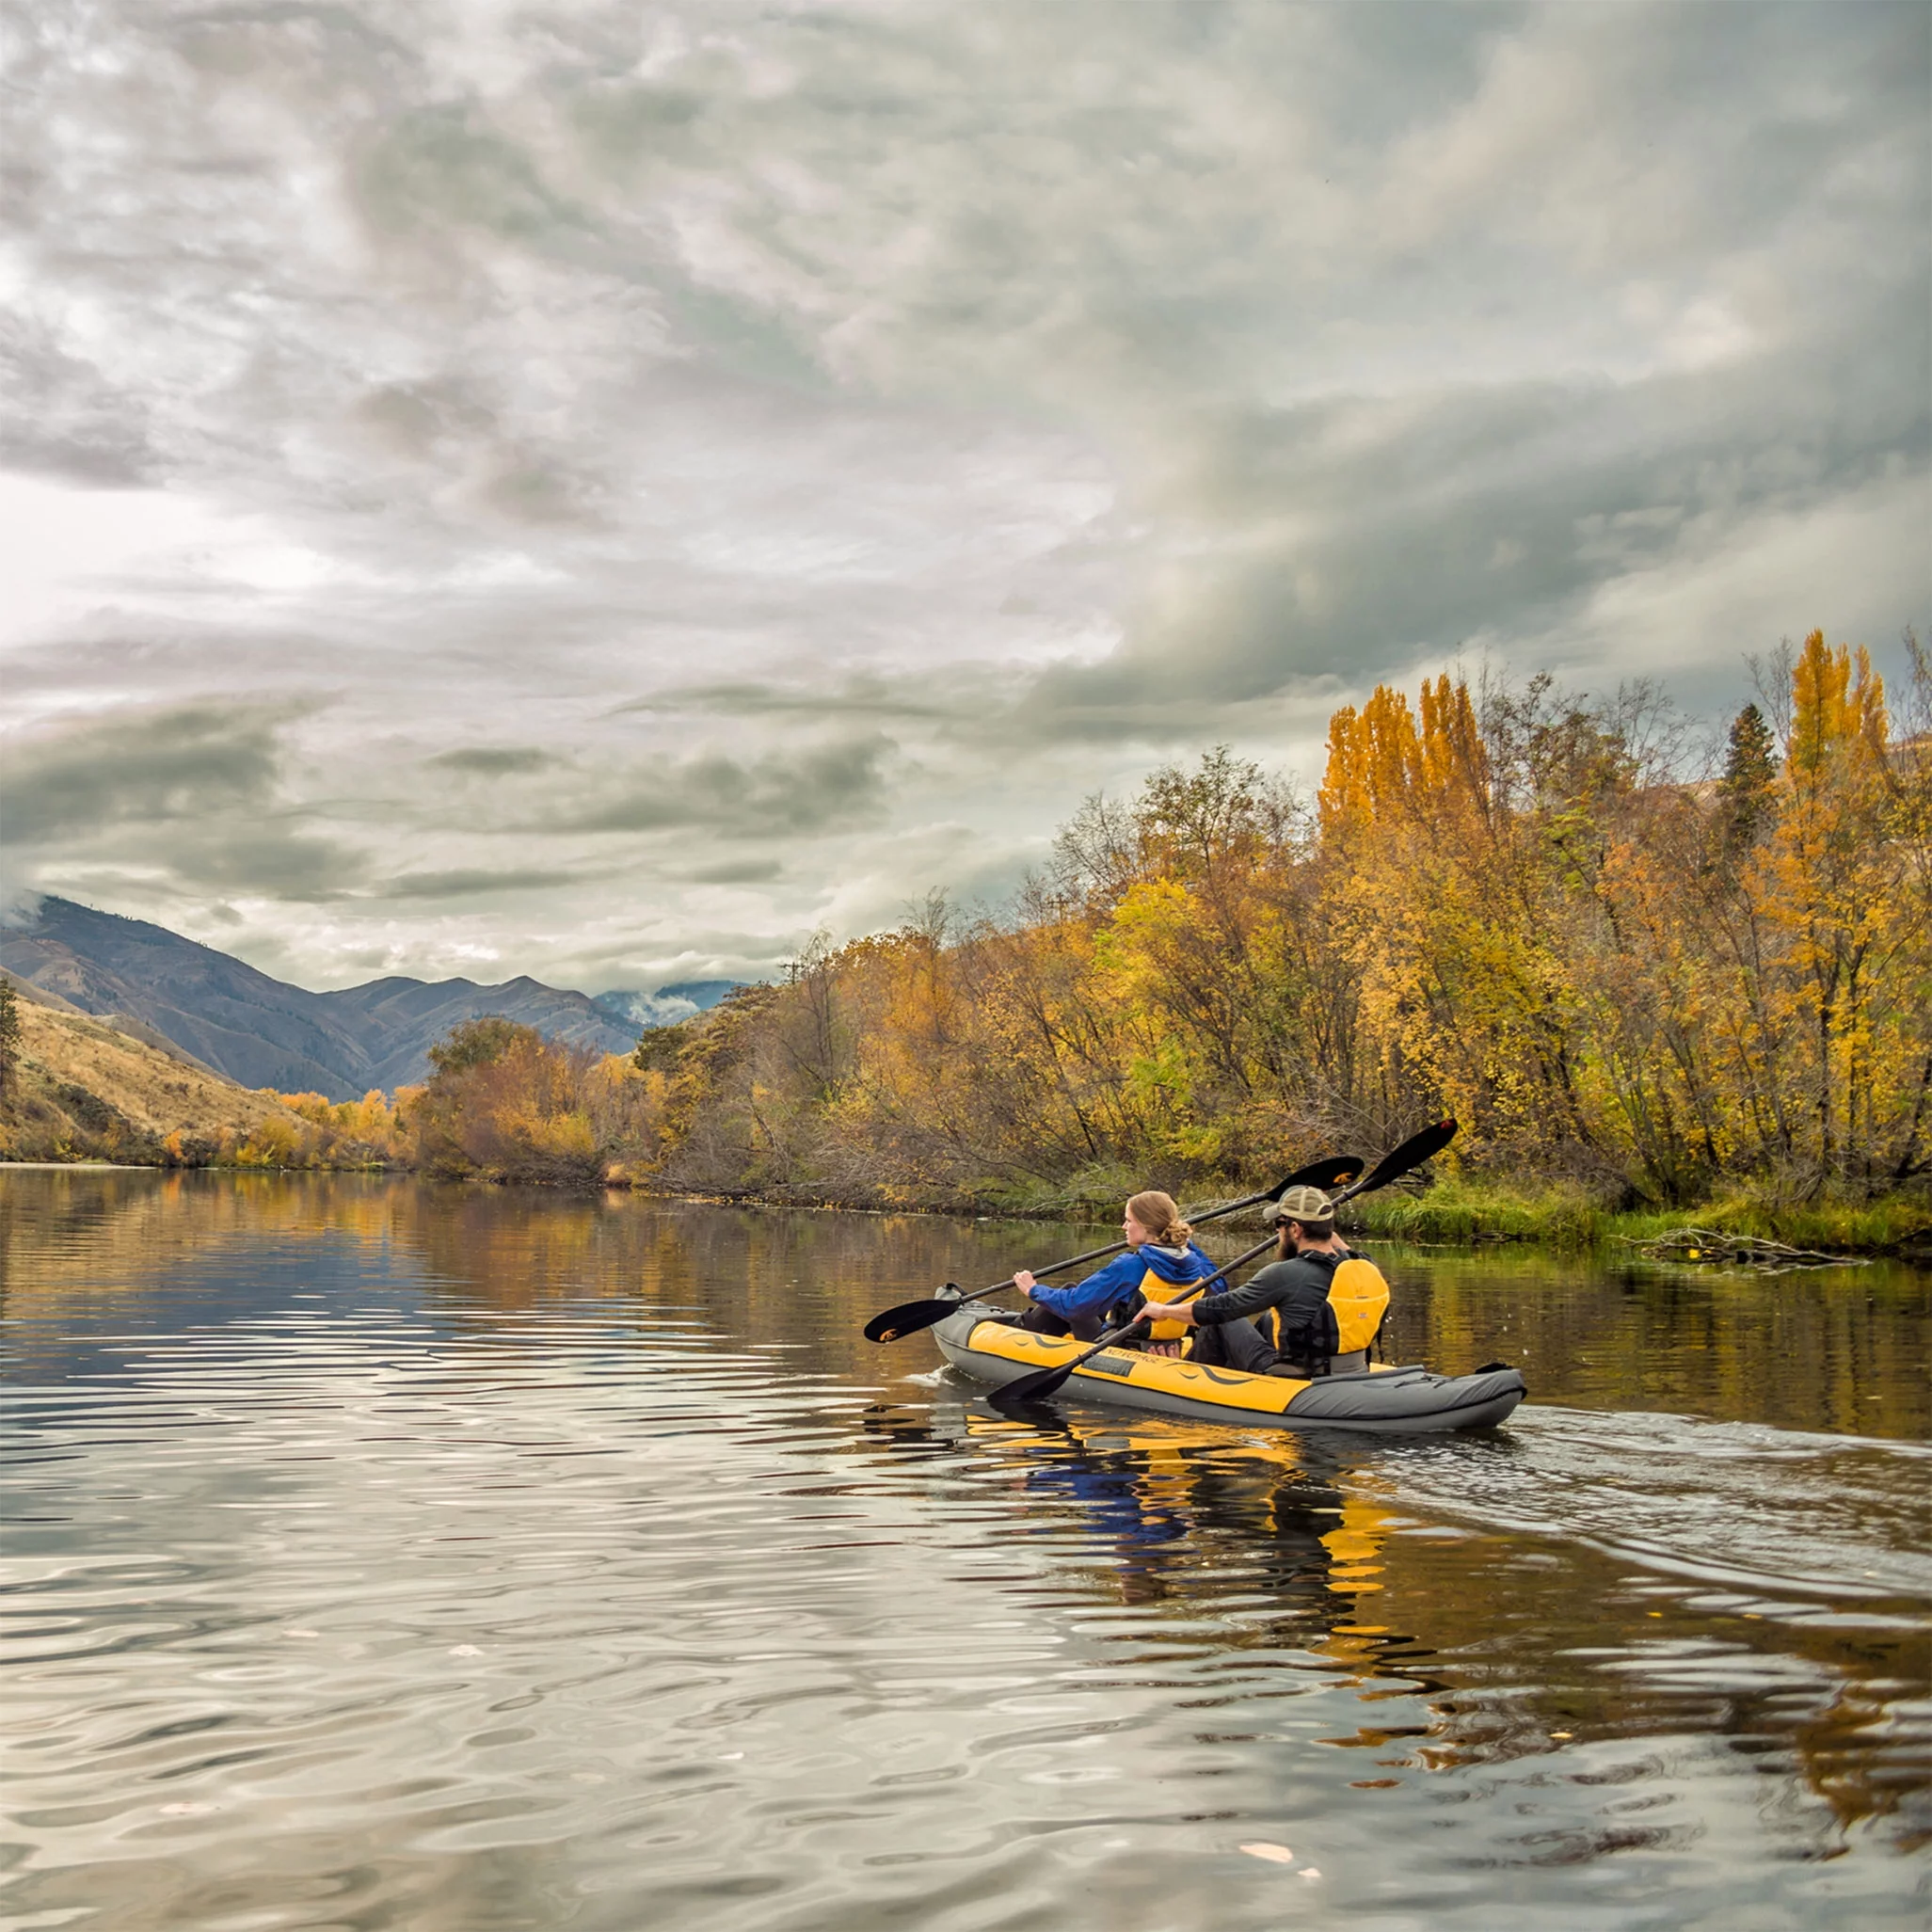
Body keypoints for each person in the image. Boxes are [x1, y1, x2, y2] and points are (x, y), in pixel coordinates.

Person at [1138, 1185, 1390, 1377]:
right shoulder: (1364, 1265)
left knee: (1226, 1319)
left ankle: (1187, 1375)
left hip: (1297, 1376)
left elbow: (1221, 1309)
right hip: (1350, 1368)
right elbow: (1339, 1246)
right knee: (1270, 1319)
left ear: (1295, 1230)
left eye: (1278, 1225)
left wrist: (1163, 1310)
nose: (1277, 1233)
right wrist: (1322, 1227)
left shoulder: (1286, 1273)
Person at [1011, 1191, 1223, 1347]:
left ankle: (1015, 1339)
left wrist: (1033, 1290)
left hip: (1119, 1350)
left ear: (1146, 1226)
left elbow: (1074, 1305)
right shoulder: (1194, 1261)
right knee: (1100, 1303)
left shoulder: (1131, 1264)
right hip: (1164, 1345)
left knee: (1068, 1291)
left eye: (1128, 1220)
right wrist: (1181, 1241)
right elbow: (1221, 1292)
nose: (1123, 1227)